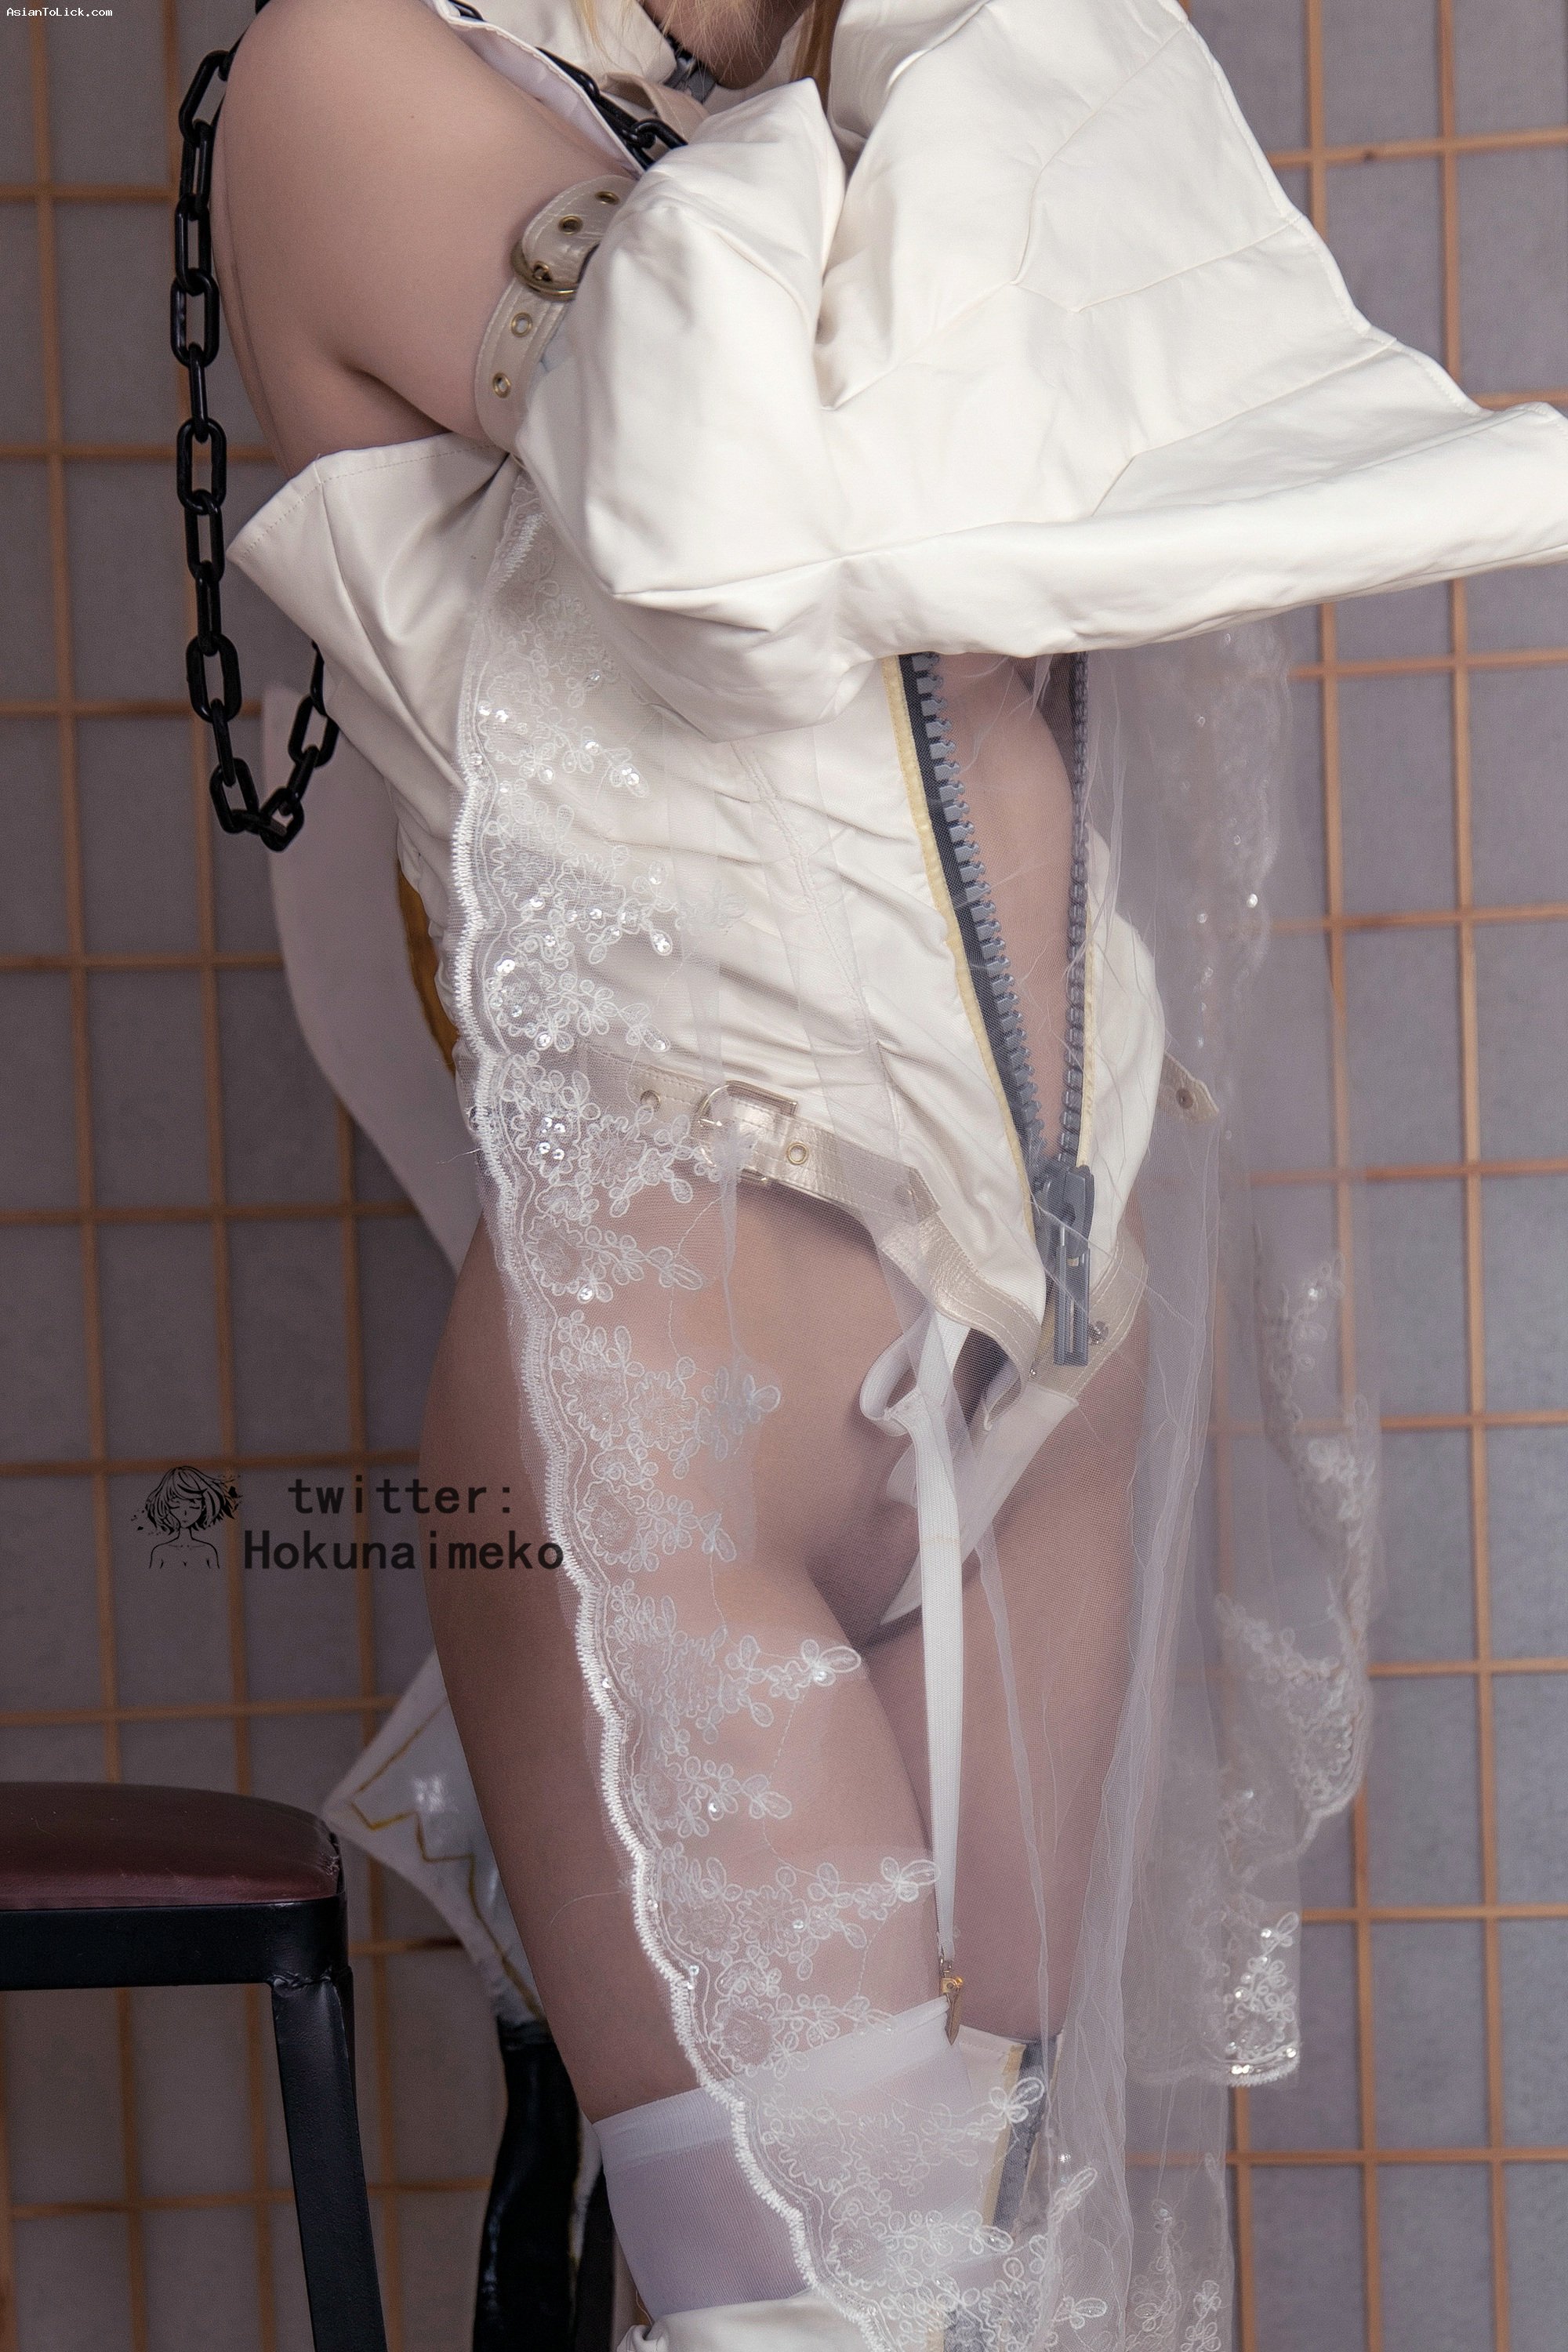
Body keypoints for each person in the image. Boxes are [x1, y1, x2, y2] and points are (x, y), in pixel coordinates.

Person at [214, 0, 1568, 2344]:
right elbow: (739, 500)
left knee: (1020, 2300)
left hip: (1044, 1373)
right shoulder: (347, 71)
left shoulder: (864, 91)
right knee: (820, 2318)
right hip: (672, 1416)